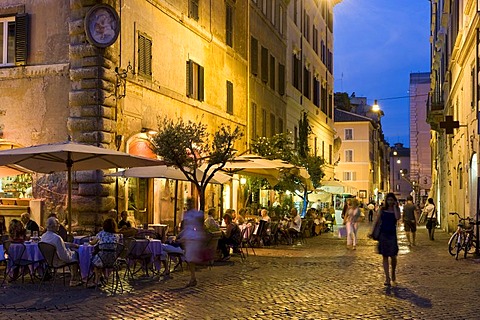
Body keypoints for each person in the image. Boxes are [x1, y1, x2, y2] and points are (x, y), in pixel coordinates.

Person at [40, 217, 82, 287]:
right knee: (76, 255)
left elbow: (55, 244)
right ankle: (75, 279)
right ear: (54, 226)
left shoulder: (43, 236)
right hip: (57, 261)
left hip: (48, 261)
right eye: (58, 224)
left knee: (73, 253)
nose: (59, 226)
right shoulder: (57, 238)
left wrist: (70, 245)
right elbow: (64, 256)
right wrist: (72, 254)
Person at [176, 199, 207, 287]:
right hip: (189, 238)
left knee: (190, 259)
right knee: (190, 259)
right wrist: (180, 236)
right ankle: (193, 278)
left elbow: (200, 226)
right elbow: (186, 227)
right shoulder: (187, 214)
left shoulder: (197, 214)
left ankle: (193, 278)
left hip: (193, 238)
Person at [376, 192, 401, 286]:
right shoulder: (382, 209)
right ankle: (387, 278)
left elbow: (398, 217)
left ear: (394, 201)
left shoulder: (396, 209)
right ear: (386, 200)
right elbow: (377, 220)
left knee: (393, 256)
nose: (390, 202)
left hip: (392, 234)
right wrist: (373, 231)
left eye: (392, 200)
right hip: (383, 234)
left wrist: (395, 207)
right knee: (385, 256)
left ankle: (393, 273)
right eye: (389, 200)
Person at [87, 218, 121, 288]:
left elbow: (93, 243)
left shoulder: (101, 234)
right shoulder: (116, 236)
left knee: (95, 261)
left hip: (102, 259)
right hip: (113, 260)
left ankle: (97, 280)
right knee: (101, 258)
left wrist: (89, 241)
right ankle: (104, 276)